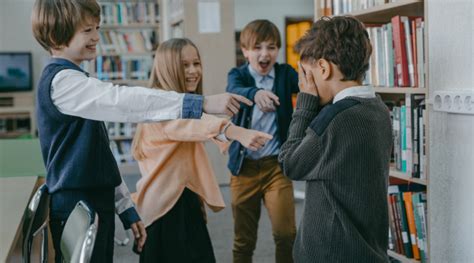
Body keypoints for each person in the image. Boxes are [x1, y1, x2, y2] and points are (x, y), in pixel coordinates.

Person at [31, 1, 252, 262]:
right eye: (87, 30)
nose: (96, 37)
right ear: (58, 33)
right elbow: (123, 101)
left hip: (93, 203)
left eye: (97, 28)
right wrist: (199, 103)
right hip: (77, 205)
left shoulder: (78, 80)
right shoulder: (62, 82)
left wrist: (125, 207)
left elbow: (100, 156)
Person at [131, 38, 273, 263]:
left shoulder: (173, 105)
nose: (193, 71)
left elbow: (196, 124)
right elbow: (194, 124)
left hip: (182, 199)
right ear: (168, 68)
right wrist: (237, 132)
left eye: (196, 63)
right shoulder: (159, 109)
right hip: (164, 209)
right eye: (184, 65)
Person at [278, 16, 393, 262]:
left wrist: (305, 103)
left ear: (323, 68)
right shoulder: (379, 109)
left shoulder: (334, 120)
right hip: (367, 248)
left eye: (306, 76)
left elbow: (290, 163)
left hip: (331, 252)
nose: (304, 84)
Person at [226, 19, 299, 263]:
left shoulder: (285, 74)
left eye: (271, 47)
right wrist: (255, 94)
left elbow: (309, 89)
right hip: (243, 169)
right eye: (257, 47)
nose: (264, 54)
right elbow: (234, 89)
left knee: (286, 234)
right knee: (243, 241)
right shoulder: (238, 75)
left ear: (277, 50)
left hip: (275, 168)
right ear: (246, 51)